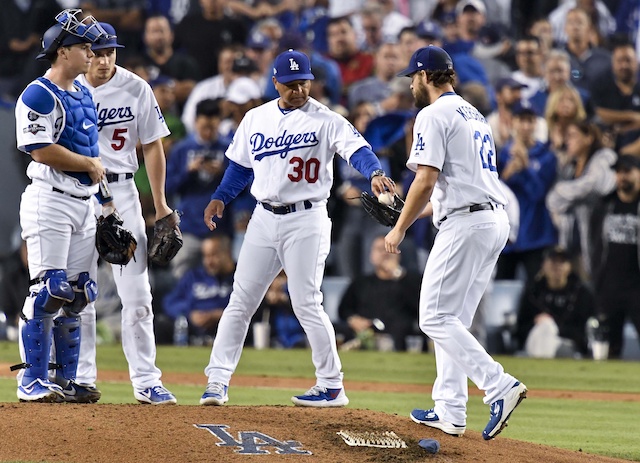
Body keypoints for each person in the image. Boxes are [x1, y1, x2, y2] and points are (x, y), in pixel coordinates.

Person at [199, 48, 395, 407]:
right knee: (240, 301)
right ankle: (217, 380)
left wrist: (376, 173)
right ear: (275, 83)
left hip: (307, 217)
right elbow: (240, 167)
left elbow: (358, 150)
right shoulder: (255, 118)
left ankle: (331, 385)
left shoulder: (327, 119)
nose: (299, 90)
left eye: (303, 82)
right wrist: (221, 198)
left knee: (306, 300)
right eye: (290, 84)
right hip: (263, 217)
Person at [384, 45, 527, 440]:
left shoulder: (432, 113)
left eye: (413, 77)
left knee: (432, 317)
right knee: (453, 320)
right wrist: (417, 213)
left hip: (467, 225)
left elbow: (426, 180)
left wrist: (400, 226)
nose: (411, 84)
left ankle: (498, 385)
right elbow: (458, 184)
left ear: (426, 76)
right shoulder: (473, 113)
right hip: (488, 219)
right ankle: (450, 410)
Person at [76, 22, 177, 405]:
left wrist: (161, 204)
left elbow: (152, 146)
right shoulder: (67, 87)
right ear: (81, 52)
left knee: (137, 292)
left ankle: (147, 380)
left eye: (110, 52)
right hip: (79, 192)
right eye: (97, 52)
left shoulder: (136, 87)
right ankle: (81, 378)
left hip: (122, 191)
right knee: (78, 291)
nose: (103, 60)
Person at [13, 9, 110, 402]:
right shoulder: (38, 93)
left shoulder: (83, 92)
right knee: (48, 289)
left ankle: (64, 379)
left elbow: (94, 153)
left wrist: (107, 205)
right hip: (49, 200)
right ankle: (31, 381)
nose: (91, 52)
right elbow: (39, 149)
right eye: (84, 46)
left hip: (84, 202)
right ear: (61, 50)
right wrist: (88, 165)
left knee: (78, 292)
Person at [496, 104, 557, 283]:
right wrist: (508, 173)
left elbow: (539, 194)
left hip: (537, 235)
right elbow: (497, 193)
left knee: (536, 289)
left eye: (530, 121)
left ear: (536, 124)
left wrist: (525, 167)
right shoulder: (502, 155)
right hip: (508, 236)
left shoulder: (546, 156)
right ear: (513, 123)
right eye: (521, 120)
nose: (525, 126)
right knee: (502, 290)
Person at [589, 155, 640, 358]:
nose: (622, 176)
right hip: (609, 284)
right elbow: (592, 242)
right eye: (618, 172)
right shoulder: (604, 205)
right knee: (608, 346)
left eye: (627, 171)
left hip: (637, 285)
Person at [336, 235, 422, 351]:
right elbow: (344, 309)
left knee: (402, 328)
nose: (384, 254)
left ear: (399, 254)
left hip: (397, 333)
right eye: (379, 249)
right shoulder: (361, 282)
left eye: (389, 249)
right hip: (365, 330)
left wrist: (397, 274)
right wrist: (354, 320)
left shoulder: (411, 280)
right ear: (372, 256)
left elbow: (419, 307)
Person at [516, 246, 595, 358]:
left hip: (568, 343)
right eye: (553, 261)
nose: (557, 266)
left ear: (569, 267)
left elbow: (585, 329)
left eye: (562, 262)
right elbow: (520, 329)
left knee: (548, 328)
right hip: (536, 339)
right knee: (544, 328)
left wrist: (555, 327)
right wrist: (537, 323)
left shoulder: (581, 293)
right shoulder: (533, 292)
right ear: (544, 265)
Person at [163, 235, 235, 344]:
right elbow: (170, 302)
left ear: (227, 253)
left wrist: (223, 314)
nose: (209, 262)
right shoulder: (193, 276)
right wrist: (190, 314)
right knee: (161, 324)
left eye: (214, 255)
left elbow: (253, 306)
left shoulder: (239, 278)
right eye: (206, 256)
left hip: (229, 328)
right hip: (193, 329)